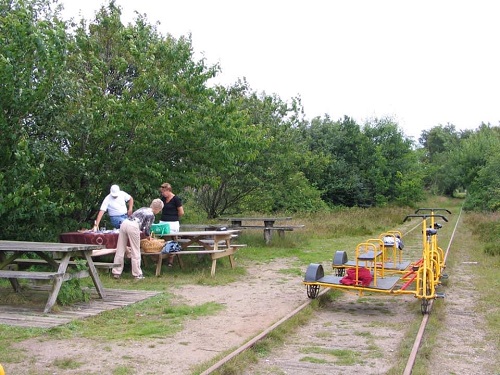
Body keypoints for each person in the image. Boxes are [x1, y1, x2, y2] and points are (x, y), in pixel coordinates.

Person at [112, 198, 164, 280]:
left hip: (124, 223)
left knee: (120, 249)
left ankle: (116, 272)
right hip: (133, 226)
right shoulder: (151, 215)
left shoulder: (143, 208)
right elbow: (147, 229)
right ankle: (137, 274)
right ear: (158, 209)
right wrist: (148, 237)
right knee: (135, 250)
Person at [159, 182, 184, 267]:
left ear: (168, 190)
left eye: (164, 192)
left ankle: (170, 259)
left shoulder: (176, 199)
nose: (163, 193)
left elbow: (181, 212)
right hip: (163, 222)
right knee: (161, 238)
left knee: (170, 239)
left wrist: (174, 217)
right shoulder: (163, 199)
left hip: (172, 223)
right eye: (162, 192)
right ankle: (161, 257)